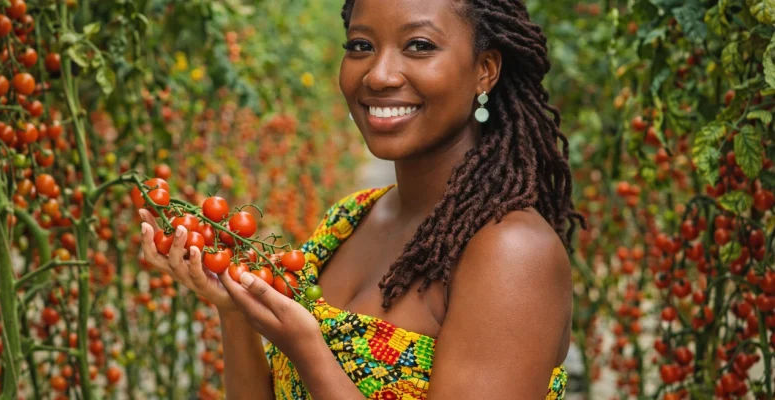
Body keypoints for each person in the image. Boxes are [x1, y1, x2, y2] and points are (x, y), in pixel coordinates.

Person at [138, 0, 586, 398]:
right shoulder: (351, 216)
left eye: (420, 46)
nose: (379, 74)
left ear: (485, 69)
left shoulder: (510, 252)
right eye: (360, 46)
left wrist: (309, 350)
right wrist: (233, 314)